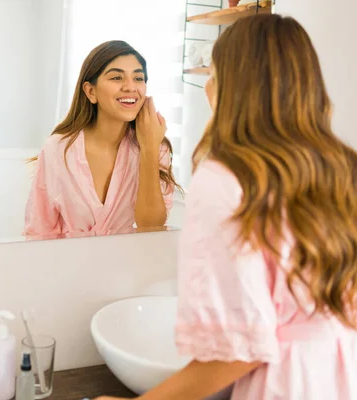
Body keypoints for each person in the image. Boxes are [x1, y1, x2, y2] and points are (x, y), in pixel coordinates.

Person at [95, 14, 357, 400]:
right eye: (115, 77)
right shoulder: (343, 165)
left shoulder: (224, 177)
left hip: (285, 384)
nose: (207, 87)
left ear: (234, 86)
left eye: (214, 73)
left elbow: (239, 351)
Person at [23, 40, 182, 240]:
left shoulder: (156, 147)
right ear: (91, 91)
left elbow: (150, 228)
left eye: (138, 78)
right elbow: (39, 230)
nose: (130, 87)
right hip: (69, 265)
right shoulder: (59, 148)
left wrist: (149, 148)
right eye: (117, 77)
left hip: (130, 266)